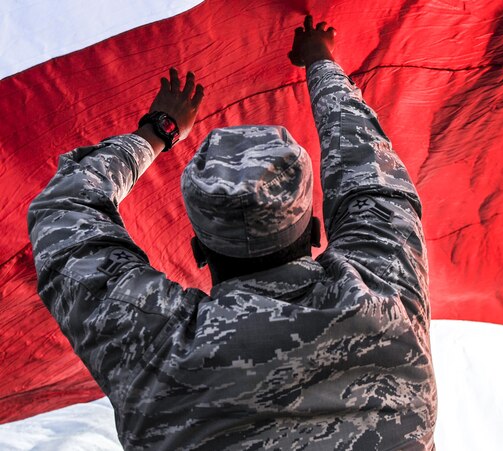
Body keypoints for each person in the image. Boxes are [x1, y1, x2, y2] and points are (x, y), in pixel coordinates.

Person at [27, 15, 437, 450]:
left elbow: (63, 207)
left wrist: (157, 131)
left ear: (197, 252)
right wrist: (320, 62)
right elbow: (365, 166)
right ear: (317, 230)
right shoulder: (387, 299)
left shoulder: (157, 348)